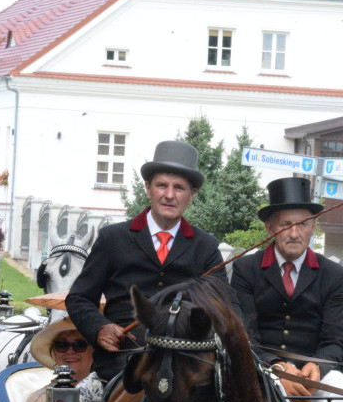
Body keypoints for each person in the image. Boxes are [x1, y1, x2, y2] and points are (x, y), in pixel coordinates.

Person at [66, 140, 226, 378]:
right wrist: (100, 328)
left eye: (179, 188)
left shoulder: (206, 247)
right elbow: (79, 298)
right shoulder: (113, 239)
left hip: (184, 365)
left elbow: (224, 309)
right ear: (148, 188)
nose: (169, 195)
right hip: (121, 361)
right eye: (162, 186)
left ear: (192, 195)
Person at [231, 177, 343, 402]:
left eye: (303, 224)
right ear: (270, 228)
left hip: (313, 374)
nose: (294, 233)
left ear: (313, 228)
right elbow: (244, 335)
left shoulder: (332, 274)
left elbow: (335, 340)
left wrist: (317, 367)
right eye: (286, 224)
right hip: (263, 370)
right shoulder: (246, 270)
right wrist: (277, 367)